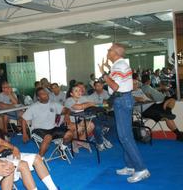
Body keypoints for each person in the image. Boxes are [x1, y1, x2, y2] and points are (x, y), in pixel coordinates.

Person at [98, 43, 150, 183]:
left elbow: (114, 86)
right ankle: (130, 166)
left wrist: (103, 73)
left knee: (125, 137)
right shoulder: (118, 66)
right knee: (125, 136)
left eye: (109, 50)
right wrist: (108, 71)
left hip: (122, 101)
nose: (107, 52)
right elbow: (116, 82)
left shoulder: (120, 65)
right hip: (122, 100)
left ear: (115, 52)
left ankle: (141, 169)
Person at [22, 87, 73, 158]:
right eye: (43, 94)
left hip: (53, 129)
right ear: (38, 97)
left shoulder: (53, 104)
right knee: (48, 137)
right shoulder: (33, 107)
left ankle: (61, 148)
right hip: (38, 130)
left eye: (46, 93)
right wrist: (24, 134)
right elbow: (24, 119)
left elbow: (67, 109)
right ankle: (40, 158)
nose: (46, 94)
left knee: (70, 133)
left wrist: (67, 115)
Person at [64, 86, 96, 152]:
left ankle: (79, 140)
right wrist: (89, 104)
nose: (79, 92)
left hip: (79, 120)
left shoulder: (82, 98)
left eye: (80, 90)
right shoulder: (69, 100)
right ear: (71, 94)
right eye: (76, 91)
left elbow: (94, 103)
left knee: (91, 125)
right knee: (79, 127)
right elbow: (78, 107)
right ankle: (76, 141)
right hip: (68, 122)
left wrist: (102, 104)